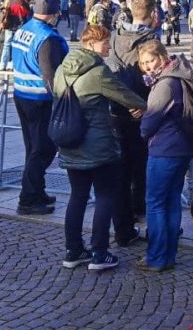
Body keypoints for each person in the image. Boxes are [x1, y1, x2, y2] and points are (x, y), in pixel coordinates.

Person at [53, 25, 147, 272]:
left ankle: (73, 251)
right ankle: (99, 253)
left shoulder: (62, 69)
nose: (108, 46)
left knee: (77, 197)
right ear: (92, 43)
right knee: (106, 196)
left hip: (70, 142)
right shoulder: (97, 71)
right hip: (98, 145)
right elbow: (125, 95)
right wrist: (143, 105)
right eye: (105, 42)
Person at [137, 40, 193, 272]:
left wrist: (143, 127)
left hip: (165, 149)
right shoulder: (180, 73)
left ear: (162, 57)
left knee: (155, 203)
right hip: (182, 146)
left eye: (151, 61)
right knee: (171, 201)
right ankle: (168, 254)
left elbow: (150, 120)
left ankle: (157, 257)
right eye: (143, 64)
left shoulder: (164, 84)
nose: (148, 68)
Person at [10, 0, 69, 215]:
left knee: (32, 147)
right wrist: (64, 100)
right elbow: (50, 76)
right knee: (43, 150)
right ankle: (27, 199)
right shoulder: (48, 38)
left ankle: (37, 190)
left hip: (21, 94)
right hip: (39, 101)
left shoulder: (24, 29)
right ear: (53, 15)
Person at [106, 0, 158, 246]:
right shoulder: (150, 40)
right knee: (142, 163)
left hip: (116, 108)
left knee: (122, 168)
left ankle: (124, 221)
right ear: (152, 13)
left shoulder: (116, 36)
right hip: (141, 108)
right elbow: (153, 75)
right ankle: (139, 208)